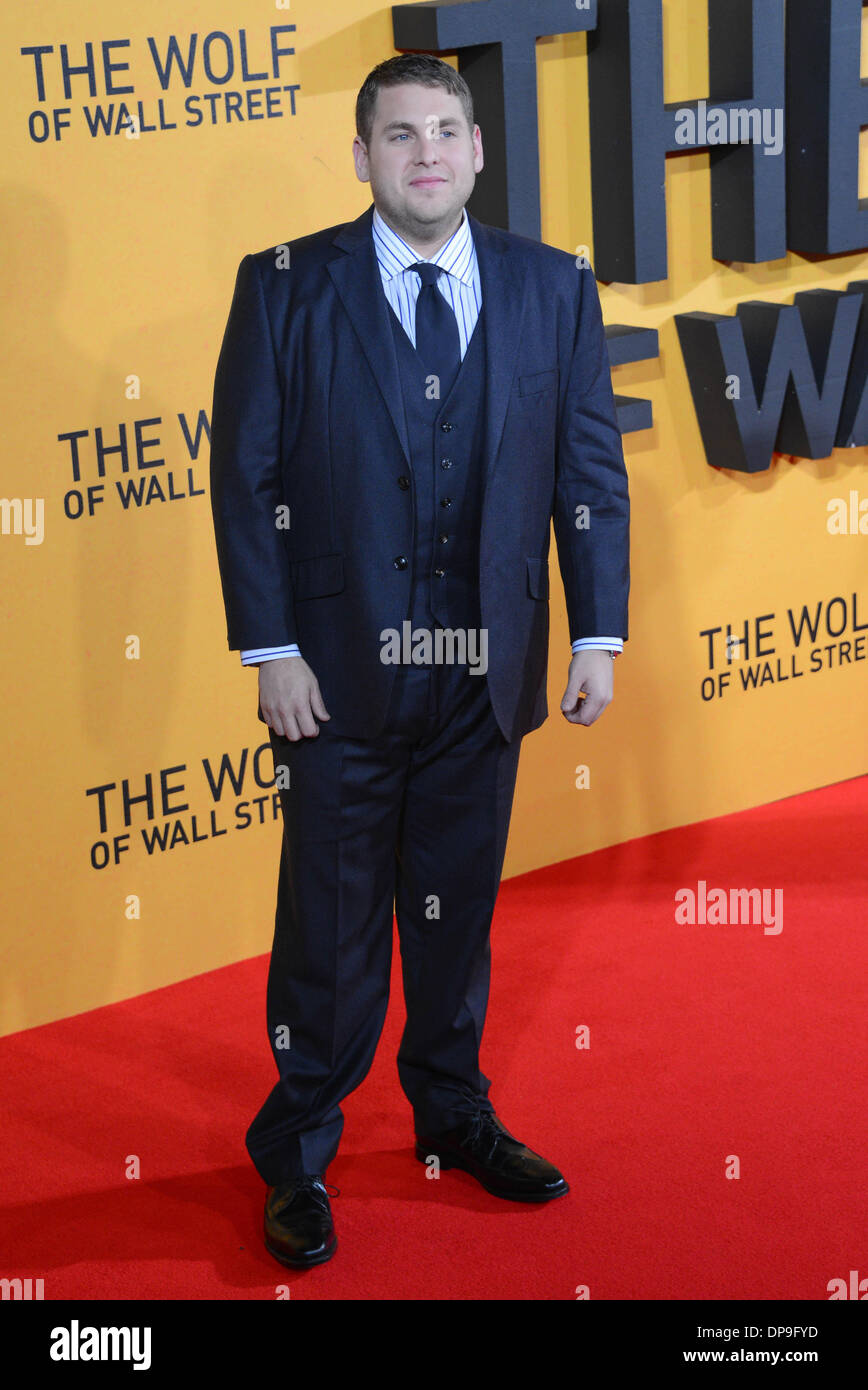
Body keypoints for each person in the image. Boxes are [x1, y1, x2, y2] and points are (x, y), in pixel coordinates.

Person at [210, 53, 630, 1269]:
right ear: (361, 156)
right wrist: (271, 648)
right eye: (399, 135)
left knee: (456, 916)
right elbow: (245, 478)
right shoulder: (285, 284)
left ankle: (452, 1115)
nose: (426, 153)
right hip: (334, 675)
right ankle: (296, 1150)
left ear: (479, 150)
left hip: (480, 671)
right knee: (329, 931)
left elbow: (585, 473)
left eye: (446, 130)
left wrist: (595, 629)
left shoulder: (551, 286)